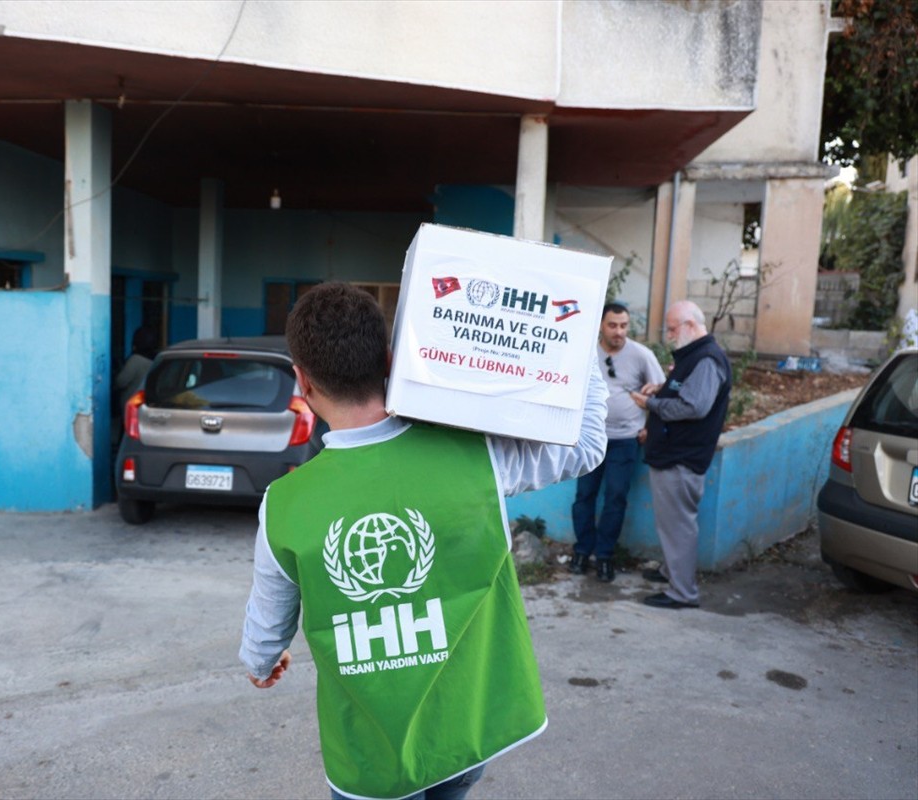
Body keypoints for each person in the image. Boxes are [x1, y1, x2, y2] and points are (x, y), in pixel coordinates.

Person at [239, 282, 608, 800]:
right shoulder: (477, 457)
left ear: (302, 381)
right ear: (390, 361)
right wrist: (576, 335)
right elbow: (588, 444)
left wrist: (261, 660)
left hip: (369, 761)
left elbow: (265, 631)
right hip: (464, 734)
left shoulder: (284, 503)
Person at [631, 300, 730, 610]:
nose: (670, 334)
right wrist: (661, 389)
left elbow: (693, 406)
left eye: (673, 328)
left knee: (678, 526)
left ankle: (682, 592)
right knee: (671, 524)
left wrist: (651, 405)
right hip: (673, 453)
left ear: (690, 325)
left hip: (681, 459)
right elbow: (685, 391)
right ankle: (670, 572)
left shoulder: (706, 359)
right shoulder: (695, 356)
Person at [570, 302, 665, 583]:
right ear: (601, 325)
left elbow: (661, 390)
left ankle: (604, 556)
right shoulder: (587, 352)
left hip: (625, 440)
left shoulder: (641, 355)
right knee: (584, 496)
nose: (619, 331)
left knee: (615, 498)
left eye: (624, 325)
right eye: (613, 325)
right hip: (588, 439)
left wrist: (651, 425)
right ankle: (581, 551)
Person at [115, 325, 158, 413]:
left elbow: (120, 382)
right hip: (150, 407)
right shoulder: (158, 359)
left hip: (133, 409)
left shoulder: (135, 360)